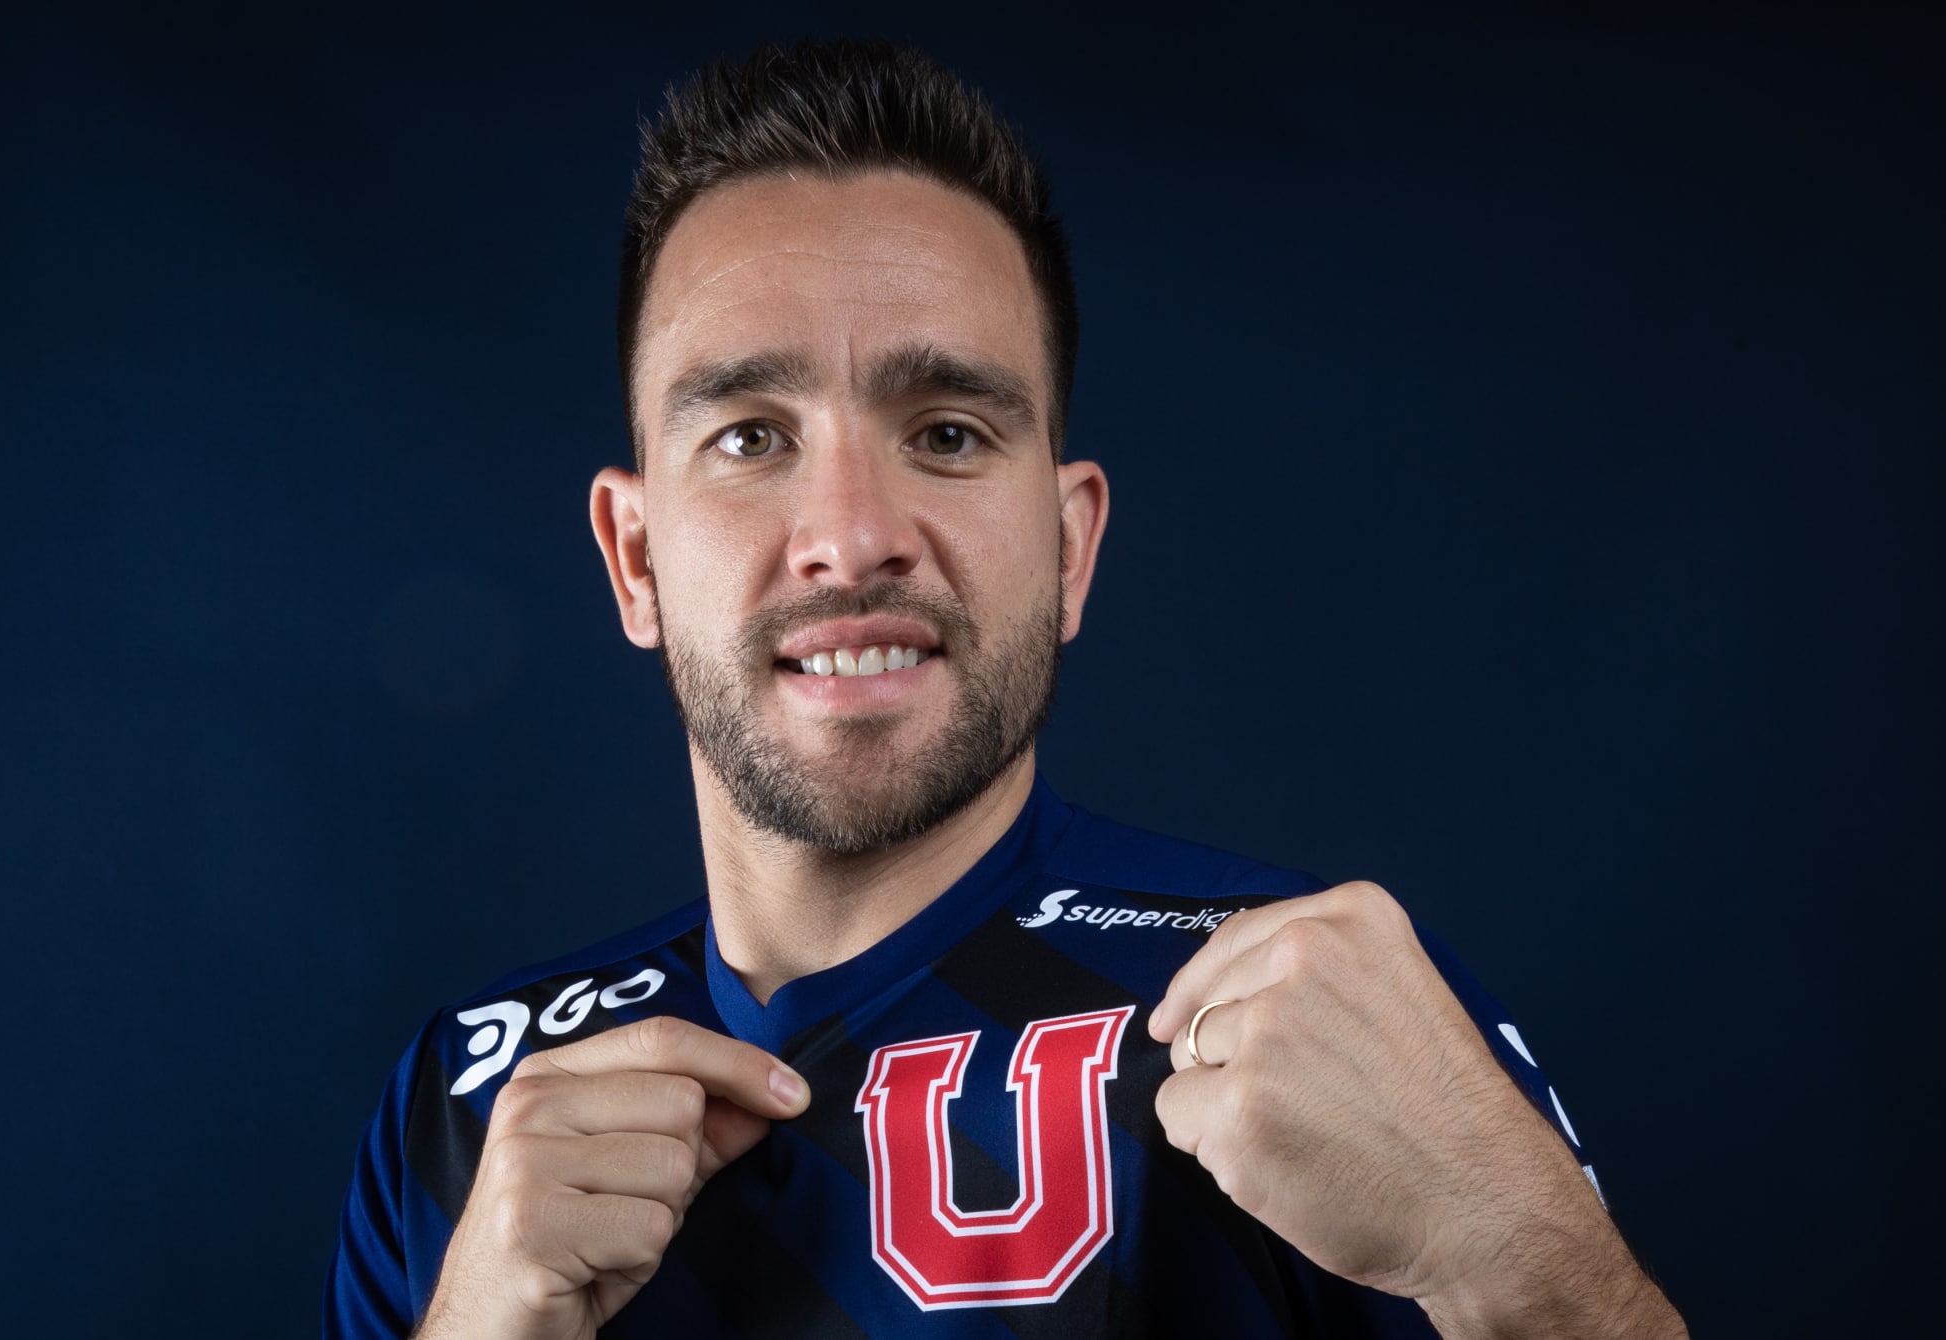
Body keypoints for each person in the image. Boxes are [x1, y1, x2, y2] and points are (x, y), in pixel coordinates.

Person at [325, 39, 1686, 1340]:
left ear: (1071, 547)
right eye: (748, 437)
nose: (852, 534)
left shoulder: (1329, 1023)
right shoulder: (466, 1101)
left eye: (947, 432)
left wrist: (1514, 1255)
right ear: (635, 561)